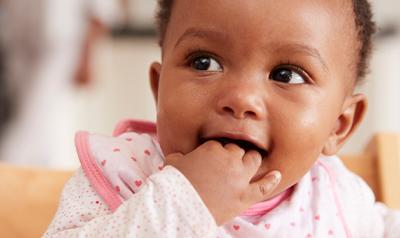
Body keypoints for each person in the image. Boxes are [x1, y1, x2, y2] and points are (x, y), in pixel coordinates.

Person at [44, 0, 400, 237]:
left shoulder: (339, 200)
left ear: (339, 126)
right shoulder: (123, 174)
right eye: (204, 63)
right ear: (158, 88)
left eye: (287, 74)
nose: (241, 99)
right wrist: (183, 199)